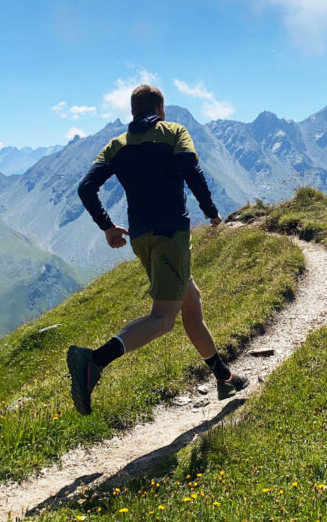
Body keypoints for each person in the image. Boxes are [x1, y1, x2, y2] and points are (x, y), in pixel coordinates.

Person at [67, 84, 248, 415]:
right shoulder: (175, 132)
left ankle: (224, 376)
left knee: (191, 303)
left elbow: (85, 188)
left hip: (140, 238)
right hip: (171, 235)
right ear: (161, 110)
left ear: (133, 112)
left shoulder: (116, 145)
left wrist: (107, 226)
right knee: (163, 318)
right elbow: (192, 171)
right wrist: (211, 212)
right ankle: (92, 361)